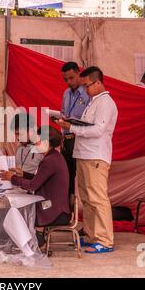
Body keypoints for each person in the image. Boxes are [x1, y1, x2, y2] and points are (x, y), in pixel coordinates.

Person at [56, 66, 118, 254]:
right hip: (83, 154)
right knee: (87, 199)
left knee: (98, 198)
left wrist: (72, 128)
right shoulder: (93, 101)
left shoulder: (105, 102)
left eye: (87, 85)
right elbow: (88, 127)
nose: (84, 89)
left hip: (95, 156)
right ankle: (92, 237)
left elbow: (98, 130)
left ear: (98, 82)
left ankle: (105, 240)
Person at [0, 126, 70, 248]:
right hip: (57, 207)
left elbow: (33, 185)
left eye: (36, 141)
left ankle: (31, 241)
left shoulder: (49, 161)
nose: (33, 143)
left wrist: (12, 178)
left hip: (54, 210)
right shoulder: (54, 157)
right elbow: (41, 179)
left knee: (19, 211)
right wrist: (24, 174)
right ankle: (33, 239)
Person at [54, 62, 89, 197]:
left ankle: (79, 209)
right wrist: (60, 120)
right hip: (67, 139)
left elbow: (89, 118)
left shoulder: (87, 92)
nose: (69, 82)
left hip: (80, 138)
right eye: (65, 79)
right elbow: (63, 112)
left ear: (78, 73)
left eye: (71, 78)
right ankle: (68, 211)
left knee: (82, 177)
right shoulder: (66, 93)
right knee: (66, 176)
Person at [10, 113, 43, 177]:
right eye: (16, 134)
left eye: (20, 134)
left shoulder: (43, 150)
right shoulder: (19, 148)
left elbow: (44, 179)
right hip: (18, 185)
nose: (17, 138)